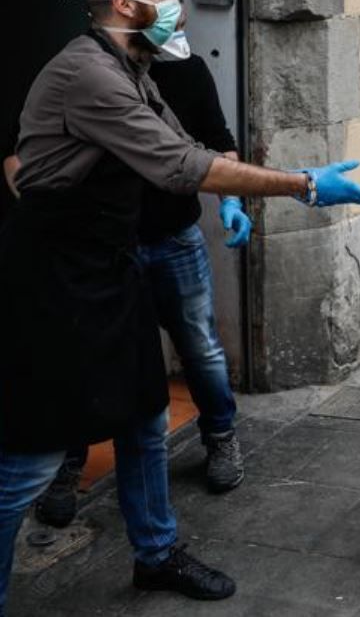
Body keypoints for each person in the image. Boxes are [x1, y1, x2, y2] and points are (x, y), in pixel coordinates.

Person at [0, 0, 360, 612]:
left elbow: (194, 147)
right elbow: (178, 164)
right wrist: (304, 184)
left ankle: (155, 553)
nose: (175, 2)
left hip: (109, 272)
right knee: (27, 460)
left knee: (146, 417)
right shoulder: (88, 73)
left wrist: (236, 189)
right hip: (55, 282)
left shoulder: (137, 68)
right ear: (125, 5)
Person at [27, 26, 254, 532]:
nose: (175, 18)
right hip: (103, 250)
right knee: (82, 356)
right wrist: (44, 214)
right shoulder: (86, 76)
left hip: (171, 236)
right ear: (129, 7)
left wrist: (233, 200)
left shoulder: (185, 72)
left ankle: (220, 435)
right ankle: (67, 467)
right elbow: (20, 155)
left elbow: (215, 145)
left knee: (199, 346)